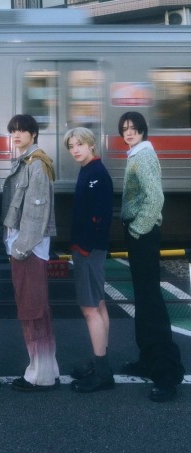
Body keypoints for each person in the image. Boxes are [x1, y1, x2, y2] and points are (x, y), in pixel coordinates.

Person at [118, 111, 185, 402]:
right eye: (125, 129)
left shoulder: (143, 156)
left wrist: (136, 230)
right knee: (145, 299)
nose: (129, 132)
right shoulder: (137, 154)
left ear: (143, 130)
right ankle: (148, 360)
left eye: (134, 128)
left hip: (142, 235)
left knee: (151, 302)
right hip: (141, 236)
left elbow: (155, 198)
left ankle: (167, 373)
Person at [1, 114, 60, 392]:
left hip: (29, 250)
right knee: (37, 311)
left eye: (22, 131)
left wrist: (19, 248)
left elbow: (37, 213)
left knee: (32, 312)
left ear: (33, 134)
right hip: (28, 248)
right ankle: (47, 368)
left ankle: (40, 375)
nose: (16, 135)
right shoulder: (28, 161)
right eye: (13, 131)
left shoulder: (36, 164)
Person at [63, 127, 114, 393]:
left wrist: (84, 247)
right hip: (90, 249)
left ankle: (103, 374)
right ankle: (101, 362)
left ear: (91, 144)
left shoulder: (96, 173)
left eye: (80, 144)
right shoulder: (89, 170)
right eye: (71, 146)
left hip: (89, 250)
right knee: (100, 305)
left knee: (90, 309)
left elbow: (101, 215)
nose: (75, 150)